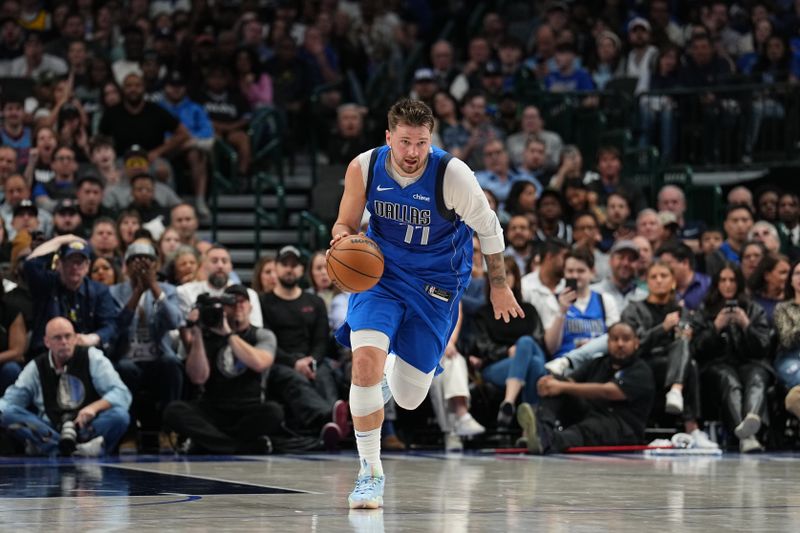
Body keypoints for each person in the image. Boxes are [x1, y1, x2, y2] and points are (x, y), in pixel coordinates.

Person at [329, 98, 522, 509]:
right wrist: (343, 240)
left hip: (436, 286)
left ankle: (389, 372)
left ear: (430, 139)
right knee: (363, 361)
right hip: (380, 276)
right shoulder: (364, 167)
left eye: (421, 142)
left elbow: (489, 229)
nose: (413, 152)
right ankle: (370, 473)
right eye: (404, 142)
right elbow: (345, 222)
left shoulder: (452, 174)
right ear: (388, 138)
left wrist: (499, 285)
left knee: (410, 397)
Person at [161, 284, 286, 454]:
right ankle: (239, 446)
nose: (238, 306)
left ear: (251, 307)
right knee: (173, 411)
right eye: (232, 302)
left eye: (242, 301)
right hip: (212, 409)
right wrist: (197, 333)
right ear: (223, 308)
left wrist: (228, 334)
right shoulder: (208, 335)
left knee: (274, 412)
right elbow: (198, 378)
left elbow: (259, 363)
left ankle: (208, 443)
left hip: (248, 409)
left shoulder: (261, 335)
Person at [516, 321, 655, 454]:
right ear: (607, 342)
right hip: (591, 415)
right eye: (615, 339)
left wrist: (562, 386)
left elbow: (608, 391)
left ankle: (546, 441)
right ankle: (541, 431)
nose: (620, 344)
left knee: (586, 429)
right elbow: (569, 381)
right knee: (557, 383)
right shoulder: (599, 362)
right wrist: (550, 384)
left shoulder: (641, 370)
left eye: (626, 339)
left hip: (622, 428)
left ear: (636, 343)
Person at [0, 317, 131, 456]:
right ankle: (72, 449)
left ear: (75, 338)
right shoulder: (36, 366)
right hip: (50, 429)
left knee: (120, 416)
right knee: (8, 414)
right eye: (57, 338)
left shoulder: (93, 357)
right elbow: (11, 400)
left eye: (68, 336)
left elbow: (122, 393)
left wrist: (94, 408)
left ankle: (54, 449)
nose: (64, 342)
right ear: (47, 342)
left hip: (86, 428)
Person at [692, 262, 774, 453]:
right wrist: (715, 327)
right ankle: (748, 435)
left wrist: (746, 325)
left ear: (738, 283)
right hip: (716, 365)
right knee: (729, 381)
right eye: (723, 280)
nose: (728, 285)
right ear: (716, 284)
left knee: (757, 377)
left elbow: (763, 347)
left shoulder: (753, 309)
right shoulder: (705, 310)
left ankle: (750, 422)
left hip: (749, 362)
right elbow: (697, 348)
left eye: (732, 280)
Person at [109, 241, 183, 451]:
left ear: (156, 266)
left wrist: (154, 287)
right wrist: (137, 294)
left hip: (157, 359)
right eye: (136, 261)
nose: (141, 266)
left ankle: (168, 430)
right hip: (127, 359)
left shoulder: (168, 290)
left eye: (147, 261)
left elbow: (174, 321)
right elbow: (115, 327)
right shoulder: (114, 292)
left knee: (171, 362)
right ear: (126, 265)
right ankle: (129, 434)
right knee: (124, 368)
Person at [469, 257, 546, 428]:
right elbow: (483, 347)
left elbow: (539, 341)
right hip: (498, 365)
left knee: (526, 344)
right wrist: (507, 352)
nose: (503, 278)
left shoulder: (529, 310)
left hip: (530, 353)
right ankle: (531, 427)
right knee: (533, 364)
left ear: (517, 278)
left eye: (508, 273)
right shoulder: (483, 313)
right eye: (498, 274)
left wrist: (519, 351)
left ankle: (508, 403)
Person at [23, 234, 118, 356]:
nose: (75, 267)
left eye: (80, 262)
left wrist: (93, 338)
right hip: (47, 353)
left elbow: (111, 325)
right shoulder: (46, 284)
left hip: (84, 353)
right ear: (59, 264)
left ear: (88, 266)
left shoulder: (99, 291)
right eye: (70, 261)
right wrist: (60, 240)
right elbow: (30, 265)